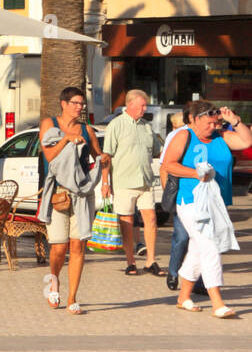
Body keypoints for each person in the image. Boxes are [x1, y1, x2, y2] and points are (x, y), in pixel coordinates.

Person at [166, 100, 251, 318]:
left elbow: (246, 141)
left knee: (197, 247)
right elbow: (168, 164)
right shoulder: (183, 136)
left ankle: (183, 296)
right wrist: (196, 173)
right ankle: (217, 302)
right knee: (210, 246)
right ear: (193, 119)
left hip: (216, 201)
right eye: (209, 123)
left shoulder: (220, 136)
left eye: (216, 123)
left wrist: (235, 121)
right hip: (191, 201)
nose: (213, 127)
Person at [36, 86, 104, 316]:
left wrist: (105, 171)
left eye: (82, 103)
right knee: (58, 247)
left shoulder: (86, 129)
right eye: (75, 102)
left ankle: (73, 297)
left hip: (82, 195)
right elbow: (49, 156)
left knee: (78, 245)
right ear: (63, 103)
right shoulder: (50, 125)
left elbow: (99, 157)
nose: (79, 107)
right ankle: (53, 282)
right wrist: (66, 139)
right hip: (58, 193)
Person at [103, 89, 160, 276]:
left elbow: (158, 151)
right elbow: (106, 156)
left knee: (151, 220)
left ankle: (151, 260)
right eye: (142, 105)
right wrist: (105, 182)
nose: (145, 109)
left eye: (145, 105)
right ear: (130, 104)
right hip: (123, 182)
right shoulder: (116, 125)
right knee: (126, 223)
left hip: (145, 181)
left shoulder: (147, 127)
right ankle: (130, 261)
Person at [162, 107, 193, 292]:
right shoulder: (178, 136)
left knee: (200, 241)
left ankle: (198, 282)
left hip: (205, 196)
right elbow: (164, 166)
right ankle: (173, 272)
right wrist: (168, 193)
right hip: (182, 194)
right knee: (182, 237)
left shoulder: (212, 137)